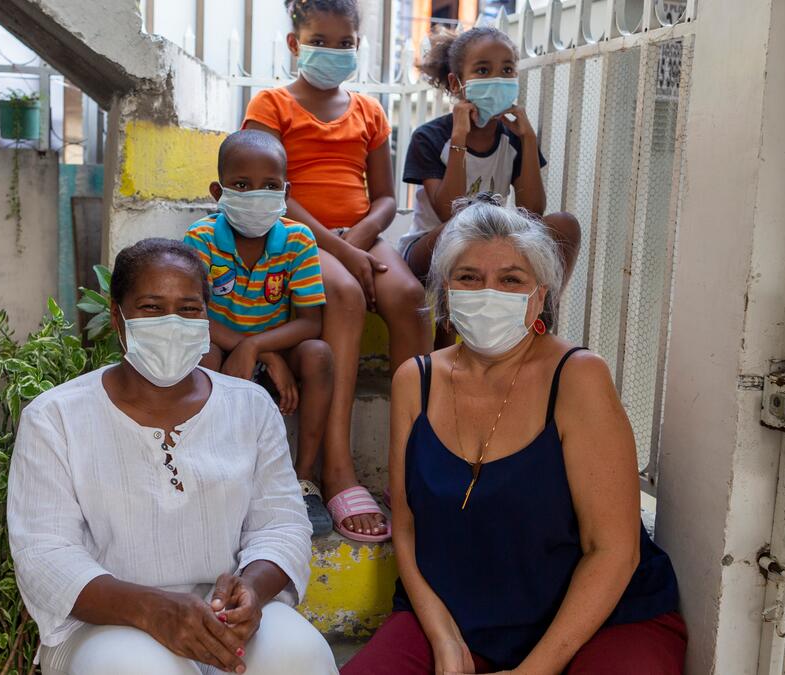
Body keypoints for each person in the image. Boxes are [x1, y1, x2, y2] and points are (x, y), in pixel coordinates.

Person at [343, 196, 684, 675]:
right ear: (444, 290)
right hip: (459, 614)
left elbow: (613, 550)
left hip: (600, 620)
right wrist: (442, 636)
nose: (489, 292)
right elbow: (407, 526)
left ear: (539, 297)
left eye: (510, 279)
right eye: (468, 277)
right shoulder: (414, 380)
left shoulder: (577, 376)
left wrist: (533, 671)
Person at [8, 238, 338, 675]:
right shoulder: (55, 418)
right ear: (117, 318)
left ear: (207, 316)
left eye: (188, 309)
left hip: (225, 614)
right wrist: (151, 609)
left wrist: (251, 592)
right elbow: (45, 553)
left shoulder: (251, 407)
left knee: (300, 656)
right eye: (150, 307)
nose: (172, 322)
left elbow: (281, 522)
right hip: (107, 622)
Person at [243, 0, 432, 542]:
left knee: (410, 299)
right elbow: (273, 192)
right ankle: (337, 467)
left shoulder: (369, 113)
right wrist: (344, 251)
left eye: (345, 42)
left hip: (360, 236)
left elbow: (388, 198)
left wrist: (360, 240)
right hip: (298, 237)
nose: (334, 51)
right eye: (320, 40)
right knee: (346, 296)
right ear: (293, 44)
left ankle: (413, 460)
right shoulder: (272, 105)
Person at [186, 129, 336, 537]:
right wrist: (253, 350)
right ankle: (219, 478)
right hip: (225, 352)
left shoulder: (297, 239)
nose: (256, 195)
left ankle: (302, 483)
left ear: (286, 190)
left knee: (319, 353)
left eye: (270, 186)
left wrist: (260, 348)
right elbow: (194, 313)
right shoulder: (200, 240)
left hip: (276, 354)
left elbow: (310, 321)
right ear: (218, 191)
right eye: (241, 185)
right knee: (204, 356)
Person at [400, 26, 581, 346]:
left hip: (488, 247)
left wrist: (527, 139)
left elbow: (532, 212)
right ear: (458, 83)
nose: (498, 78)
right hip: (427, 250)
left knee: (563, 223)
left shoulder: (513, 138)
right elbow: (447, 210)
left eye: (507, 69)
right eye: (483, 70)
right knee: (460, 226)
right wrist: (459, 139)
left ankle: (539, 324)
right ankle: (446, 363)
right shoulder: (430, 137)